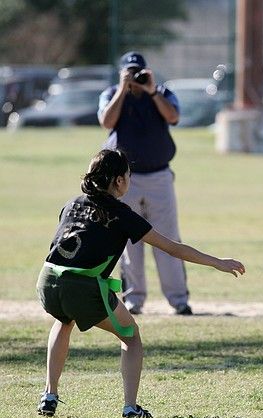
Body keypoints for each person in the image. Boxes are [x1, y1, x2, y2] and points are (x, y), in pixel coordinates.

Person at [35, 149, 245, 418]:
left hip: (48, 279)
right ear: (119, 181)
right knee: (131, 337)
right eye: (128, 175)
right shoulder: (122, 214)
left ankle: (49, 395)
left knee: (63, 322)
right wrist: (217, 262)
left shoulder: (72, 202)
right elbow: (171, 248)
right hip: (82, 285)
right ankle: (130, 407)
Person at [98, 51, 190, 316]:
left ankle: (179, 300)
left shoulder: (161, 92)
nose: (135, 77)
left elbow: (173, 117)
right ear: (121, 73)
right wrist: (122, 89)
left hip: (159, 176)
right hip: (122, 180)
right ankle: (133, 300)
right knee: (128, 241)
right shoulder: (112, 94)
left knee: (169, 239)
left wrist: (151, 92)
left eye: (139, 72)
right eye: (130, 72)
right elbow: (106, 121)